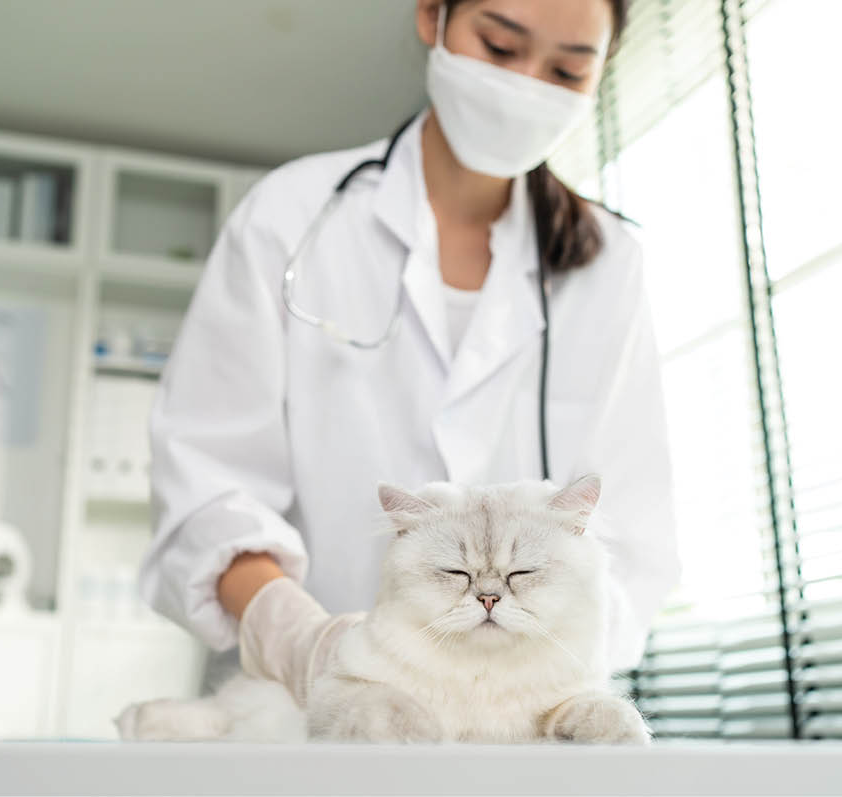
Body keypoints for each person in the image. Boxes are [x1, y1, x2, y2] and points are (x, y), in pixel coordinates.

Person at [139, 0, 681, 705]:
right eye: (499, 46)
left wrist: (527, 684)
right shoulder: (292, 216)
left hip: (523, 730)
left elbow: (632, 530)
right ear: (433, 17)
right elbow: (205, 487)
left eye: (568, 70)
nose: (526, 87)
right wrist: (302, 640)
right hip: (311, 713)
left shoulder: (608, 263)